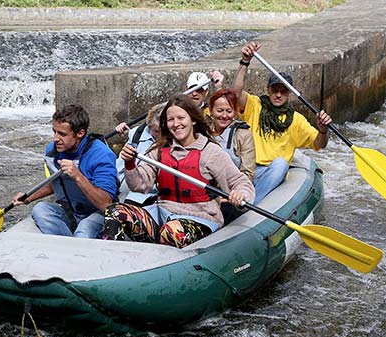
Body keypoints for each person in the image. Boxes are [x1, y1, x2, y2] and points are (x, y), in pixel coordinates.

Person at [102, 94, 255, 249]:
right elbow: (139, 185)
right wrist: (130, 164)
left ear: (193, 119)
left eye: (181, 118)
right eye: (171, 120)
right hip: (162, 214)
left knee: (171, 232)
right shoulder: (159, 150)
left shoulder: (210, 152)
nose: (176, 124)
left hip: (200, 218)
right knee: (114, 212)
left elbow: (240, 182)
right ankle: (115, 258)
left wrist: (241, 194)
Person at [232, 41, 332, 205]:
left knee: (280, 164)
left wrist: (323, 131)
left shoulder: (297, 120)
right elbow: (235, 93)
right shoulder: (255, 105)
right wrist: (245, 62)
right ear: (268, 90)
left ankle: (251, 205)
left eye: (283, 91)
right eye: (275, 90)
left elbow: (319, 144)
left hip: (272, 172)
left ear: (289, 94)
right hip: (246, 167)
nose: (278, 95)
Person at [13, 104, 118, 238]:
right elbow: (55, 183)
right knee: (39, 209)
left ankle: (75, 246)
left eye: (62, 134)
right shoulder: (53, 151)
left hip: (98, 214)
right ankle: (67, 244)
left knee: (84, 230)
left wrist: (78, 176)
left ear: (80, 133)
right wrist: (29, 197)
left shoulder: (102, 155)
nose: (55, 138)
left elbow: (106, 204)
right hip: (71, 212)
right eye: (54, 131)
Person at [208, 88, 256, 224]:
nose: (224, 116)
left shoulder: (243, 134)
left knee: (228, 211)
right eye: (219, 111)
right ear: (211, 110)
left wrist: (235, 194)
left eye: (229, 111)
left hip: (232, 192)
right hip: (208, 191)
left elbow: (248, 172)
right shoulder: (202, 132)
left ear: (234, 112)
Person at [113, 103, 164, 206]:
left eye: (164, 130)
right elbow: (119, 165)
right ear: (149, 127)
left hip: (146, 197)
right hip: (120, 189)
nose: (161, 135)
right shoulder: (138, 133)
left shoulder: (172, 144)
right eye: (156, 131)